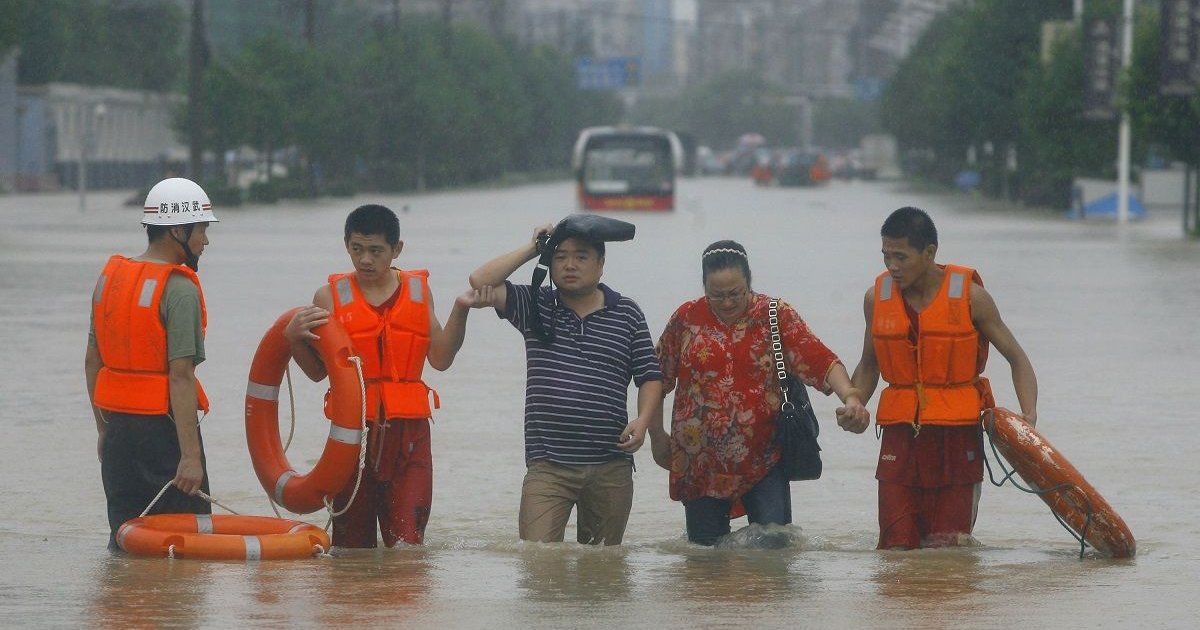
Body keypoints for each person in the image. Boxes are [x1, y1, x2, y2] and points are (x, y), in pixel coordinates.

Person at [284, 204, 485, 548]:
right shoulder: (328, 298)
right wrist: (293, 339)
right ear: (346, 245)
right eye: (356, 249)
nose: (365, 260)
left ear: (396, 250)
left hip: (409, 439)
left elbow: (440, 358)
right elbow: (317, 373)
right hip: (351, 439)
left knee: (408, 546)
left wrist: (461, 311)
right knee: (351, 551)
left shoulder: (419, 293)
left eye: (375, 251)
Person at [648, 240, 870, 546]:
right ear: (704, 287)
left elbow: (821, 360)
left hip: (765, 456)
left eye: (735, 293)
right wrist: (656, 434)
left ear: (749, 282)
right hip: (700, 463)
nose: (727, 303)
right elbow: (655, 378)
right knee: (703, 559)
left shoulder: (776, 315)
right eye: (717, 295)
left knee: (773, 550)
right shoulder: (686, 319)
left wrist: (851, 398)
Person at [842, 206, 1038, 550]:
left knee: (948, 549)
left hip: (957, 437)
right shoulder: (876, 298)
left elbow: (1017, 358)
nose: (892, 266)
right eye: (886, 256)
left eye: (901, 257)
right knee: (894, 547)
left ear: (929, 253)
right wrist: (855, 402)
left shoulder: (972, 297)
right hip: (900, 437)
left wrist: (1028, 416)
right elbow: (869, 364)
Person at [467, 223, 663, 545]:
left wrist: (642, 422)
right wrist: (534, 247)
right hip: (548, 465)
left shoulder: (627, 313)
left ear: (601, 264)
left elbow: (649, 377)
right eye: (559, 257)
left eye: (581, 257)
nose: (570, 265)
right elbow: (480, 281)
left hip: (610, 464)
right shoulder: (535, 304)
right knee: (537, 559)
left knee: (604, 571)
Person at [86, 177, 218, 550]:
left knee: (126, 542)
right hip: (165, 437)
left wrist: (102, 430)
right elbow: (181, 376)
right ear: (178, 230)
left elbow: (91, 361)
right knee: (187, 547)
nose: (205, 242)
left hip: (117, 435)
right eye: (202, 230)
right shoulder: (179, 289)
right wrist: (191, 458)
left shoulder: (110, 278)